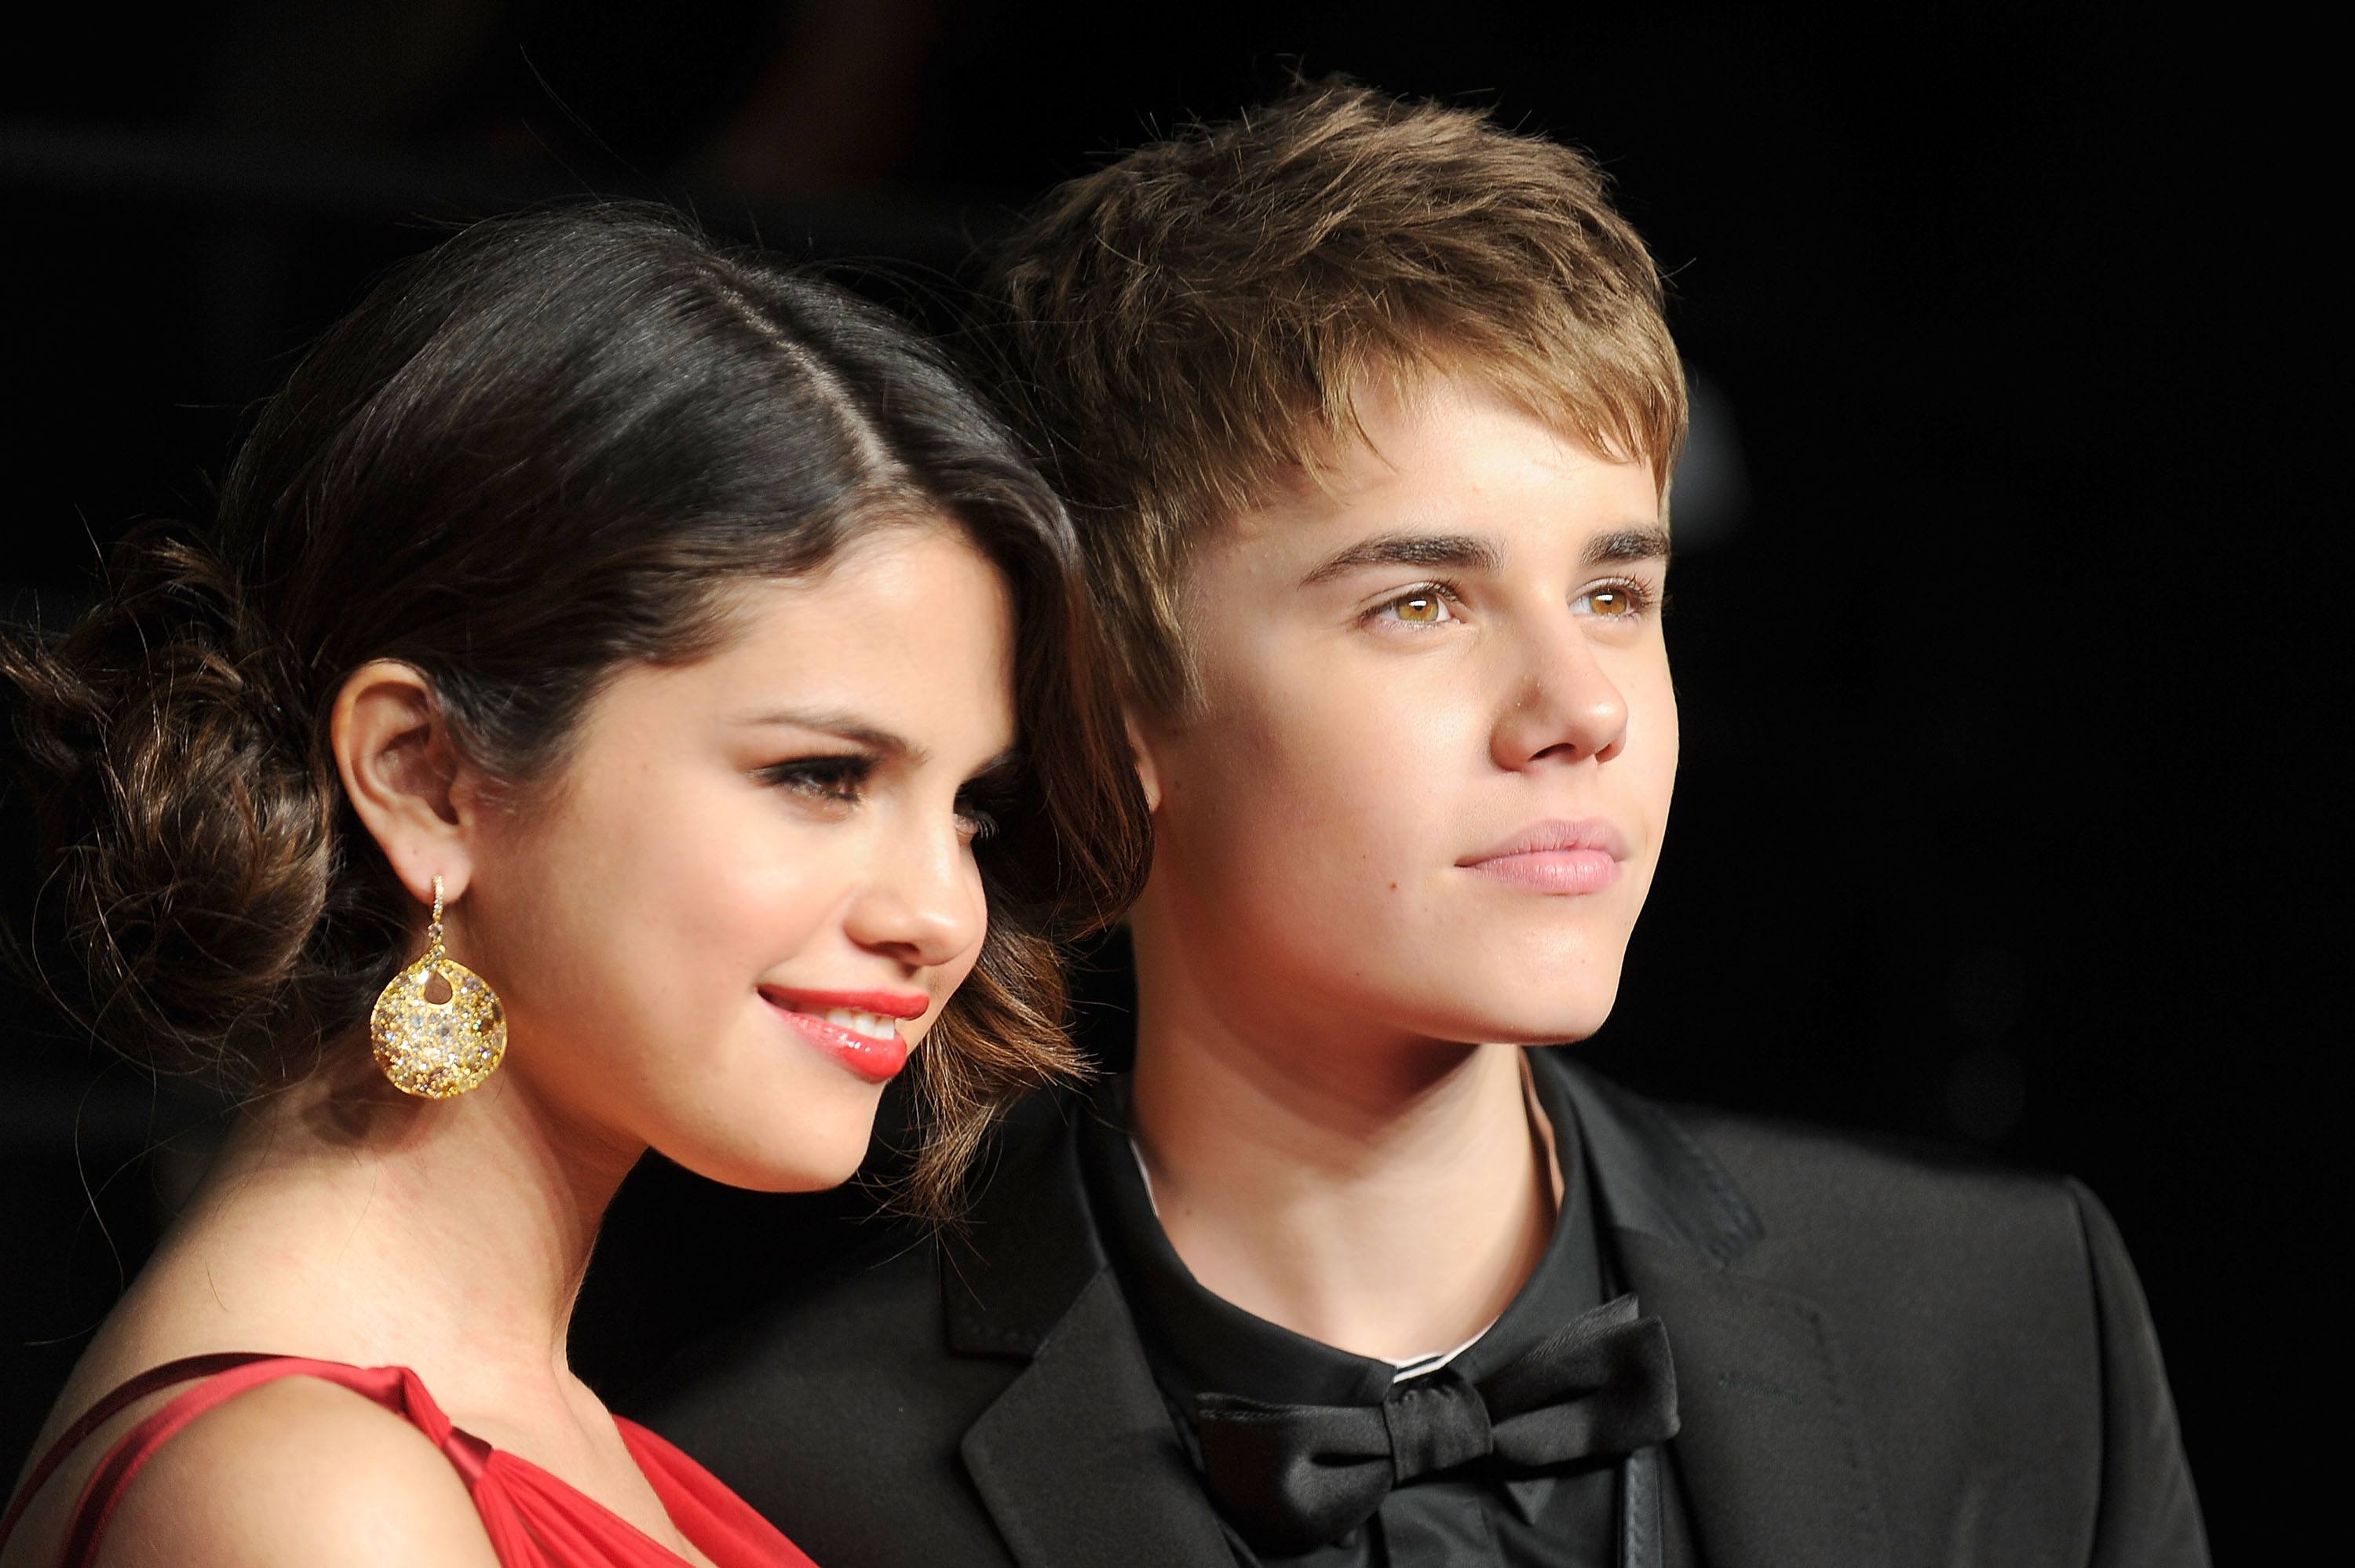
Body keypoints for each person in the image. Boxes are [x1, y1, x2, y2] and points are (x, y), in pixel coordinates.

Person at [640, 83, 2211, 1567]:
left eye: (1615, 590)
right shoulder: (786, 1484)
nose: (1578, 704)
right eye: (1422, 603)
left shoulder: (2004, 1318)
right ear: (1115, 704)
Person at [0, 203, 1148, 1568]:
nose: (944, 914)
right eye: (823, 775)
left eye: (971, 808)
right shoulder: (315, 1503)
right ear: (427, 778)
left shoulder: (550, 1441)